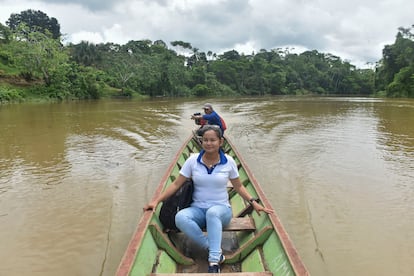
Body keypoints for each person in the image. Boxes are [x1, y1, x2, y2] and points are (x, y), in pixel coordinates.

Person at [143, 125, 273, 273]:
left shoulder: (229, 161)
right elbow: (176, 183)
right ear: (201, 142)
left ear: (220, 142)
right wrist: (156, 201)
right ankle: (216, 252)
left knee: (213, 213)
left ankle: (213, 263)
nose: (209, 143)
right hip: (197, 209)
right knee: (180, 217)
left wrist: (253, 202)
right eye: (205, 140)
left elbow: (238, 187)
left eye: (212, 140)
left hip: (221, 210)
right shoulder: (192, 160)